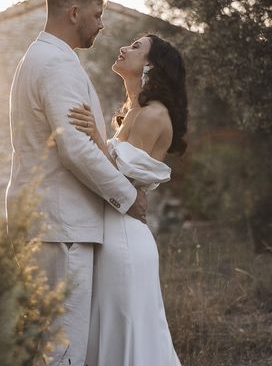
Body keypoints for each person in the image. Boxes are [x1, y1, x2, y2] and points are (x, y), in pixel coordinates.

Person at [4, 0, 148, 366]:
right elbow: (74, 148)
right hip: (61, 225)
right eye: (97, 14)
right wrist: (128, 196)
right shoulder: (56, 64)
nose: (102, 24)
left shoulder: (39, 57)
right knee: (63, 349)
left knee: (47, 344)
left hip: (45, 222)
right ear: (74, 12)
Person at [68, 34, 187, 366]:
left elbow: (119, 182)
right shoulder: (132, 112)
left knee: (128, 337)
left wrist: (93, 134)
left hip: (124, 239)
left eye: (137, 47)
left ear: (151, 66)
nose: (124, 48)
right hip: (110, 231)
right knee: (108, 334)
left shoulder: (153, 115)